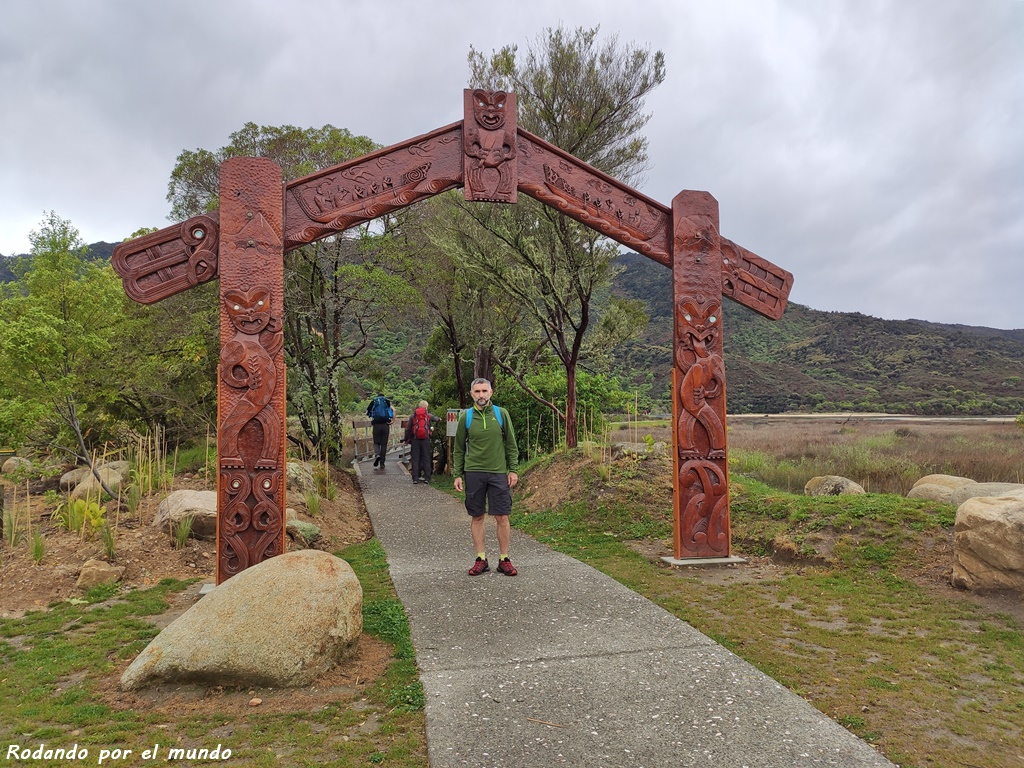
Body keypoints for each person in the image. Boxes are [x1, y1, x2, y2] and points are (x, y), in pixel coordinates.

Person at [453, 378, 519, 576]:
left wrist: (513, 469)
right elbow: (458, 448)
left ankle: (504, 559)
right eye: (477, 391)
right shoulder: (466, 417)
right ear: (472, 394)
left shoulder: (501, 414)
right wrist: (458, 474)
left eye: (484, 391)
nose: (481, 395)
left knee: (502, 516)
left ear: (491, 392)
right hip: (474, 472)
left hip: (498, 472)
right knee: (477, 516)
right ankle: (481, 558)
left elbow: (511, 444)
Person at [404, 400, 440, 484]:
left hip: (415, 440)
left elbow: (408, 429)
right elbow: (436, 419)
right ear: (426, 407)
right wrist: (439, 419)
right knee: (426, 458)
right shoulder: (428, 415)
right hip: (425, 440)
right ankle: (427, 478)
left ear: (419, 406)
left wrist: (406, 440)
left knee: (415, 459)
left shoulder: (413, 416)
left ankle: (415, 478)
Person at [365, 393, 394, 468]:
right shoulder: (387, 401)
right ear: (384, 396)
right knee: (384, 444)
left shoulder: (374, 402)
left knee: (376, 442)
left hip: (376, 425)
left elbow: (368, 412)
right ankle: (382, 463)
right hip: (385, 425)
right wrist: (393, 420)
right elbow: (393, 410)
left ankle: (377, 455)